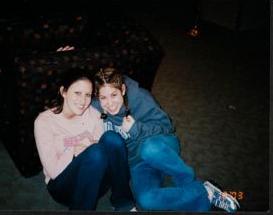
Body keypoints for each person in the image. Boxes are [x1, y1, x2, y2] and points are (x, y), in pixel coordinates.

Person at [91, 67, 240, 212]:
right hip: (138, 164)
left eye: (114, 95)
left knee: (149, 149)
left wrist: (136, 129)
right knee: (147, 200)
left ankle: (186, 180)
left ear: (122, 90)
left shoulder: (140, 97)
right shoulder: (94, 109)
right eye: (103, 97)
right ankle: (204, 193)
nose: (109, 103)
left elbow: (166, 126)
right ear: (98, 96)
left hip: (160, 147)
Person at [34, 68, 135, 211]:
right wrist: (74, 153)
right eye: (77, 93)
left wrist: (92, 148)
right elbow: (53, 172)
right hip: (63, 188)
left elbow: (104, 149)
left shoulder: (93, 114)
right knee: (95, 153)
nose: (83, 101)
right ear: (63, 91)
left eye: (88, 95)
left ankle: (123, 202)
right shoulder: (44, 121)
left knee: (112, 138)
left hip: (96, 182)